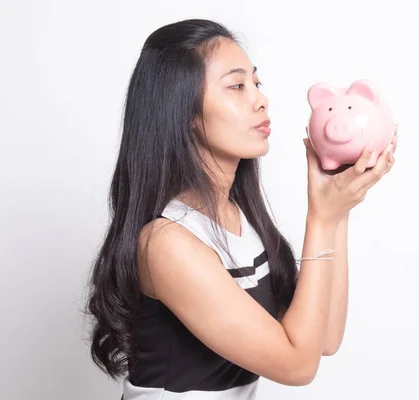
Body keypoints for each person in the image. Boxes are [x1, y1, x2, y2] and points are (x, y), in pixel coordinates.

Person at [85, 18, 397, 400]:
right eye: (236, 86)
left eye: (256, 83)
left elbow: (324, 338)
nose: (260, 99)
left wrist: (339, 205)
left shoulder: (239, 220)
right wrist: (322, 217)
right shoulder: (165, 242)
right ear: (184, 113)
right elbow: (298, 367)